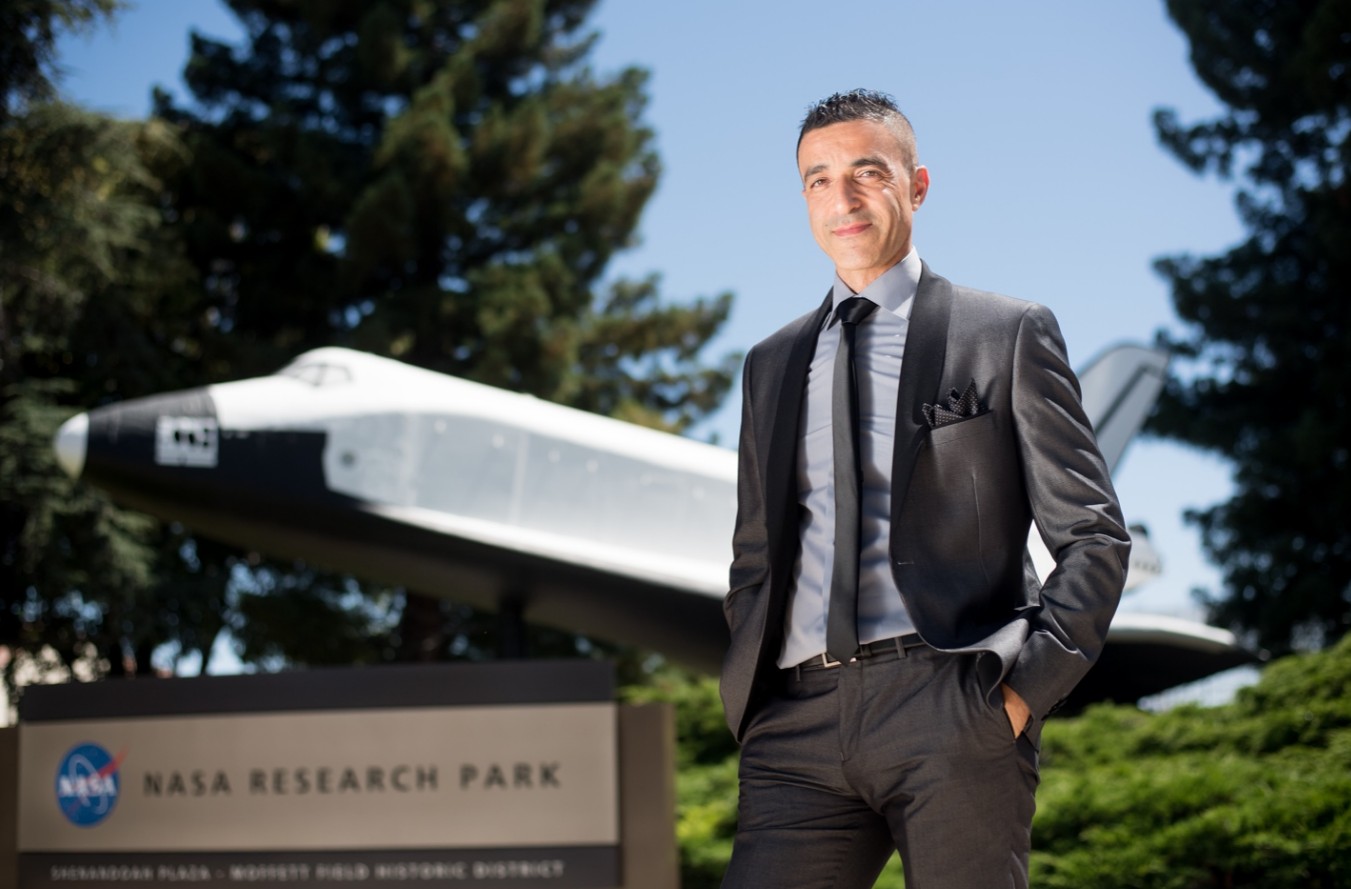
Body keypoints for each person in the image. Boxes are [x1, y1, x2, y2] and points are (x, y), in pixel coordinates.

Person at [719, 89, 1131, 889]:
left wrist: (1016, 697)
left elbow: (1092, 537)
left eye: (866, 173)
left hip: (951, 702)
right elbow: (755, 556)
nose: (841, 198)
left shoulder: (1003, 332)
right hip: (794, 725)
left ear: (917, 185)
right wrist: (755, 702)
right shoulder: (769, 364)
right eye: (818, 179)